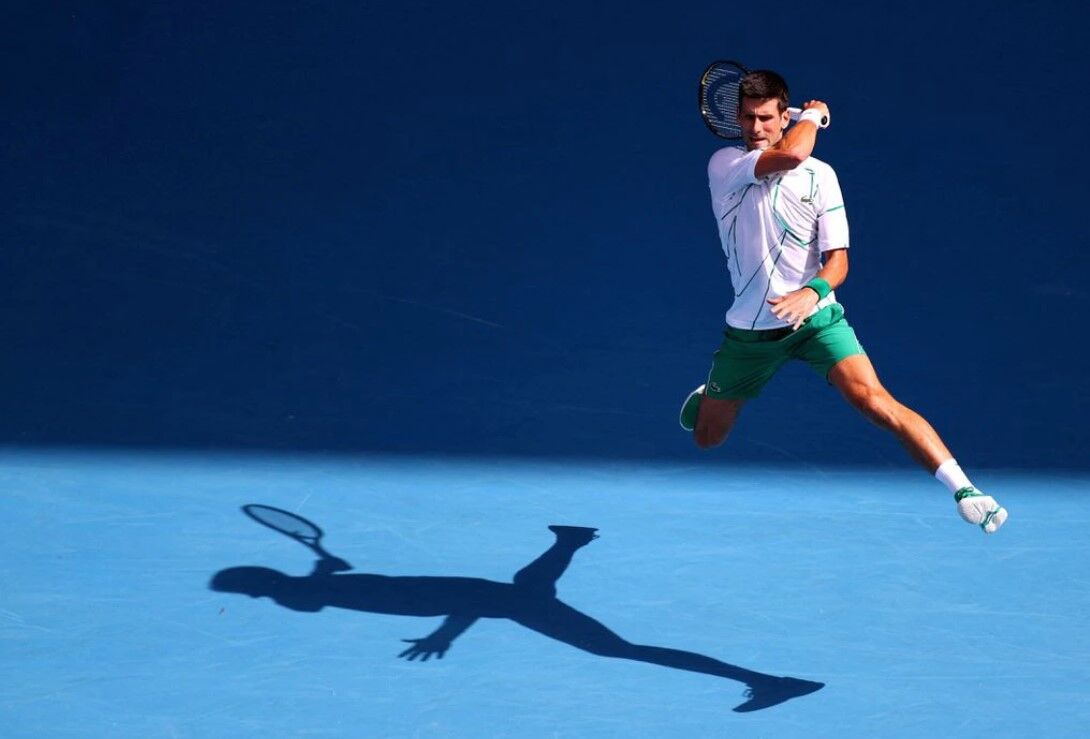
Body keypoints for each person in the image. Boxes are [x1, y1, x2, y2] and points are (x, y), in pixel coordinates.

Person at [680, 70, 1007, 534]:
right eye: (749, 118)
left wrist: (811, 293)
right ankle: (710, 390)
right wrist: (812, 114)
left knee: (875, 400)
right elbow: (791, 153)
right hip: (750, 335)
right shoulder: (725, 164)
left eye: (767, 118)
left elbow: (838, 263)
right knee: (707, 440)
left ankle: (965, 489)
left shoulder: (823, 177)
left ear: (781, 115)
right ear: (736, 117)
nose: (756, 128)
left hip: (815, 320)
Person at [211, 524, 823, 712]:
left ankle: (770, 682)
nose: (247, 598)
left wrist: (441, 636)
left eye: (244, 591)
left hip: (482, 598)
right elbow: (329, 576)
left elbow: (470, 604)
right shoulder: (316, 585)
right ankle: (569, 542)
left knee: (619, 650)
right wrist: (330, 570)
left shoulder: (307, 594)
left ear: (260, 587)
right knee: (528, 591)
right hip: (477, 592)